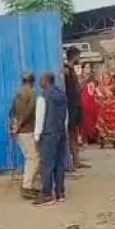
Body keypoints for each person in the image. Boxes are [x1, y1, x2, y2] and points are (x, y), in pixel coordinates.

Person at [33, 72, 68, 206]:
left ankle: (47, 195)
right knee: (59, 164)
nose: (40, 83)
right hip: (60, 133)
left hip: (48, 134)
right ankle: (60, 193)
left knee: (47, 165)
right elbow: (66, 116)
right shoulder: (62, 95)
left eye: (41, 80)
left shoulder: (43, 97)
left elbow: (40, 119)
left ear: (46, 81)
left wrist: (37, 136)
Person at [9, 73, 38, 199]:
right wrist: (20, 125)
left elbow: (12, 112)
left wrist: (15, 125)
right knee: (33, 158)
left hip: (20, 132)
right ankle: (27, 186)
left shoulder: (17, 93)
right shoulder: (32, 93)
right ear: (32, 81)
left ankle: (28, 185)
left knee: (30, 157)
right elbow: (29, 112)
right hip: (27, 130)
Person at [63, 46, 86, 171]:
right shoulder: (66, 70)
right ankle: (72, 161)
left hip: (76, 104)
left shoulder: (71, 70)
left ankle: (76, 160)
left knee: (75, 133)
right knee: (71, 133)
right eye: (78, 56)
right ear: (74, 56)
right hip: (71, 105)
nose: (79, 58)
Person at [96, 73, 115, 149]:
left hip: (112, 107)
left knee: (113, 124)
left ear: (110, 79)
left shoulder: (114, 86)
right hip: (103, 107)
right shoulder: (100, 88)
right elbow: (96, 97)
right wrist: (101, 102)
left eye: (108, 78)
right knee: (102, 123)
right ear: (102, 79)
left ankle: (114, 141)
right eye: (104, 78)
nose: (106, 80)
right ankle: (102, 142)